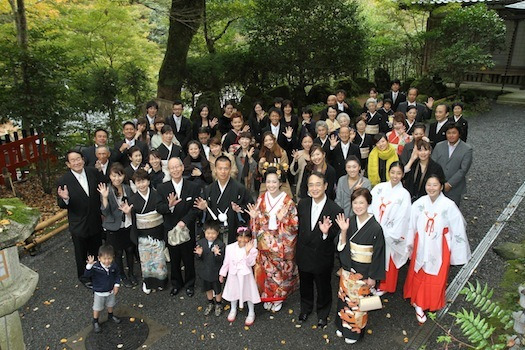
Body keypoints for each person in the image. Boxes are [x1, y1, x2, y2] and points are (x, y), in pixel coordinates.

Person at [404, 175, 471, 323]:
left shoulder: (449, 205)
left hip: (439, 246)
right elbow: (410, 225)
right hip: (421, 243)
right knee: (420, 273)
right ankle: (419, 303)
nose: (431, 188)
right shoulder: (419, 203)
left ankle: (432, 302)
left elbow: (458, 228)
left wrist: (457, 249)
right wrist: (409, 245)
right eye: (429, 185)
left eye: (435, 185)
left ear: (441, 186)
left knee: (436, 275)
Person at [333, 188, 385, 344]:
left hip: (364, 272)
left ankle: (354, 333)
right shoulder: (349, 222)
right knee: (344, 300)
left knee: (358, 304)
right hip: (349, 270)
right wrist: (343, 231)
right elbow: (341, 244)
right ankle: (342, 326)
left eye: (361, 202)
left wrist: (373, 277)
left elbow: (378, 255)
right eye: (355, 202)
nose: (358, 206)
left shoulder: (376, 228)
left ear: (368, 203)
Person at [246, 166, 299, 312]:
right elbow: (256, 220)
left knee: (280, 273)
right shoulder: (261, 198)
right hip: (264, 244)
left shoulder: (288, 201)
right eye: (268, 182)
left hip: (281, 244)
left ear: (280, 182)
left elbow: (294, 225)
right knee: (266, 272)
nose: (271, 185)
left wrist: (285, 221)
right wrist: (254, 219)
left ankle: (279, 298)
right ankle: (268, 296)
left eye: (274, 182)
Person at [296, 172, 343, 328]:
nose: (314, 188)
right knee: (305, 284)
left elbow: (337, 236)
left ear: (325, 186)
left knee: (323, 286)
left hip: (322, 255)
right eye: (311, 185)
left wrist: (325, 233)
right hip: (304, 252)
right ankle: (305, 308)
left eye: (318, 184)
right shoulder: (302, 204)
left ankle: (323, 313)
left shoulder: (335, 209)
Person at [57, 150, 105, 287]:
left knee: (96, 249)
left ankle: (97, 271)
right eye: (73, 160)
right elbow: (60, 204)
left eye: (78, 159)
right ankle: (84, 277)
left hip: (95, 219)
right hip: (78, 223)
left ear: (83, 159)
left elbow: (102, 186)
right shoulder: (63, 180)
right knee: (81, 253)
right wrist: (65, 198)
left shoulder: (92, 172)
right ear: (68, 164)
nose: (77, 162)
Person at [157, 158, 201, 298]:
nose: (175, 170)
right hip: (171, 230)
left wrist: (184, 221)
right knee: (174, 260)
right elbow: (159, 208)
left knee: (188, 259)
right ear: (169, 170)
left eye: (177, 167)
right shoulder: (162, 188)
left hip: (187, 229)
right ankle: (176, 284)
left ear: (182, 168)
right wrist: (169, 206)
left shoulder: (193, 187)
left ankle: (189, 284)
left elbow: (196, 209)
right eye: (172, 168)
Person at [120, 169, 169, 294]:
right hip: (142, 233)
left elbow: (163, 211)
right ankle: (148, 283)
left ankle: (161, 282)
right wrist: (128, 213)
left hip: (157, 231)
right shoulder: (132, 199)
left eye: (144, 181)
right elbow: (131, 221)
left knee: (159, 259)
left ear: (148, 181)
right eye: (138, 182)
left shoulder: (157, 194)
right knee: (146, 260)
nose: (141, 185)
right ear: (134, 183)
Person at [370, 162, 411, 295]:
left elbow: (403, 217)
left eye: (398, 173)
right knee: (373, 256)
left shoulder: (404, 194)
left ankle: (384, 285)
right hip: (376, 227)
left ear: (403, 175)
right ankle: (372, 281)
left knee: (389, 256)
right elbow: (370, 206)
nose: (395, 176)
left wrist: (387, 232)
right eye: (392, 172)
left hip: (391, 232)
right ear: (388, 172)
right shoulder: (379, 188)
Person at [194, 155, 254, 244]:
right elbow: (202, 212)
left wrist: (239, 209)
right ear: (215, 169)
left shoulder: (239, 188)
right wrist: (204, 209)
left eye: (226, 168)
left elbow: (250, 207)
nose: (223, 172)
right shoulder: (209, 189)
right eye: (220, 168)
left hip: (233, 227)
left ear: (230, 169)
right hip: (214, 231)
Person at [97, 163, 137, 287]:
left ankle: (131, 272)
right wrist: (104, 198)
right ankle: (122, 275)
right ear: (110, 176)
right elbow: (105, 212)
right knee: (118, 252)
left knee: (130, 249)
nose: (117, 179)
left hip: (127, 224)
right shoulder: (106, 190)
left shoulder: (128, 188)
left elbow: (132, 205)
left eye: (119, 176)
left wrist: (129, 211)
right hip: (113, 226)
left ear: (123, 176)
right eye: (114, 176)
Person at [219, 227, 261, 326]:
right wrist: (222, 273)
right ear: (236, 237)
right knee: (233, 291)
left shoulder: (252, 249)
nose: (243, 240)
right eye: (240, 237)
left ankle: (251, 312)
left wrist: (247, 252)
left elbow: (251, 263)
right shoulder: (230, 247)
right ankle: (233, 308)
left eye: (246, 238)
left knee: (249, 292)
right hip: (233, 274)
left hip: (246, 275)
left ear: (249, 239)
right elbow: (227, 262)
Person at [431, 123, 473, 206]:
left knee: (452, 211)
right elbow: (433, 164)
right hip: (437, 185)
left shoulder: (467, 149)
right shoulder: (439, 146)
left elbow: (463, 170)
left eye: (454, 133)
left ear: (459, 134)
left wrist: (450, 184)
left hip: (455, 187)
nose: (451, 135)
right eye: (448, 133)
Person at [84, 245, 122, 334]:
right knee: (97, 307)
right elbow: (86, 275)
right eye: (104, 259)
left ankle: (110, 315)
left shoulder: (114, 266)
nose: (107, 261)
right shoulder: (95, 267)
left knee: (110, 304)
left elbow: (117, 275)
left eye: (109, 258)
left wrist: (116, 285)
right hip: (99, 292)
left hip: (110, 291)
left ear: (113, 258)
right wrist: (89, 266)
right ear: (99, 258)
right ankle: (95, 320)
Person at [194, 220, 226, 317]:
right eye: (208, 233)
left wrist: (217, 254)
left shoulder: (220, 244)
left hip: (215, 271)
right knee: (207, 288)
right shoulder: (201, 242)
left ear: (217, 233)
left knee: (217, 289)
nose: (210, 236)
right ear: (204, 232)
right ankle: (210, 302)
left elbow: (222, 259)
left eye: (213, 233)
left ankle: (219, 304)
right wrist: (199, 254)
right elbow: (197, 258)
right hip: (204, 271)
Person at [258, 132, 293, 197]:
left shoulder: (282, 152)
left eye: (270, 140)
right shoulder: (262, 153)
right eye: (266, 141)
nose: (269, 142)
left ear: (274, 140)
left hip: (281, 182)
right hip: (266, 183)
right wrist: (260, 164)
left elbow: (285, 168)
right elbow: (261, 172)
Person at [290, 134, 313, 199]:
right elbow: (293, 172)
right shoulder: (298, 154)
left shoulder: (316, 154)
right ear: (302, 143)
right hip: (301, 185)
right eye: (305, 142)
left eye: (310, 142)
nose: (307, 144)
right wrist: (296, 161)